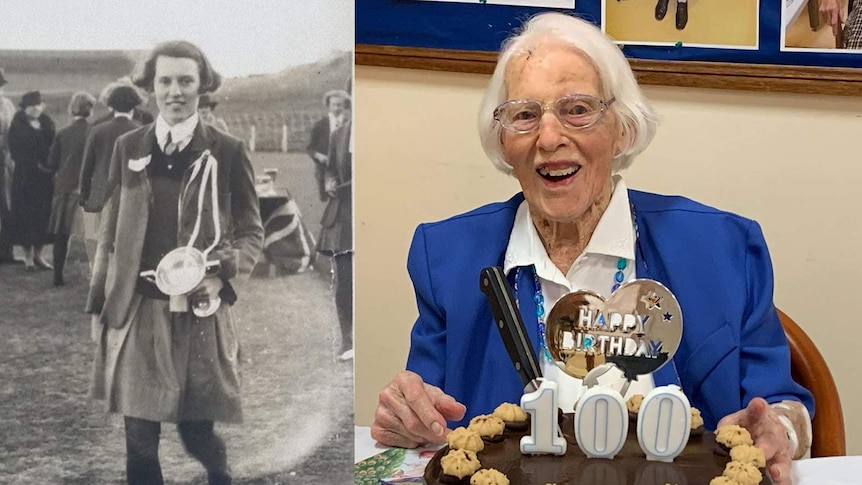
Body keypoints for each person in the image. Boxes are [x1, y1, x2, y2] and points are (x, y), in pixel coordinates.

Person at [370, 13, 814, 485]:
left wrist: (782, 427)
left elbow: (783, 405)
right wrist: (407, 414)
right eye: (524, 115)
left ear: (623, 128)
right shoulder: (448, 258)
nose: (549, 137)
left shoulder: (723, 249)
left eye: (577, 109)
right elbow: (426, 420)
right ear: (503, 141)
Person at [86, 40, 263, 484]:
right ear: (150, 87)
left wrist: (222, 278)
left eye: (186, 80)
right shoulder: (128, 146)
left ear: (203, 85)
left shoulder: (227, 150)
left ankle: (219, 475)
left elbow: (251, 231)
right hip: (139, 309)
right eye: (165, 80)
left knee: (196, 433)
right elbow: (109, 232)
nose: (175, 91)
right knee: (139, 438)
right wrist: (98, 305)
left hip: (199, 318)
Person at [79, 85, 143, 270]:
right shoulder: (140, 130)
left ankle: (97, 273)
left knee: (98, 238)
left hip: (100, 193)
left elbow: (87, 166)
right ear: (134, 105)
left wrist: (83, 194)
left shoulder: (98, 130)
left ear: (111, 105)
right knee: (125, 238)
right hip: (129, 192)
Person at [43, 91, 96, 286]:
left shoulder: (63, 134)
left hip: (64, 188)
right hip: (87, 188)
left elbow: (52, 162)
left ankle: (58, 275)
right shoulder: (94, 132)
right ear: (90, 110)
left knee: (61, 234)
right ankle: (95, 276)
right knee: (93, 234)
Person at [317, 103, 353, 361]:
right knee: (343, 280)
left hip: (366, 215)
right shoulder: (339, 134)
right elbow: (331, 168)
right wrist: (330, 182)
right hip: (342, 218)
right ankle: (347, 339)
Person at [7, 90, 56, 271]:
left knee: (43, 215)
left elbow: (54, 147)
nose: (36, 109)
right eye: (32, 106)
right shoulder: (18, 125)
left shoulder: (47, 123)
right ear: (24, 108)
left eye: (38, 105)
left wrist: (49, 165)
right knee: (26, 214)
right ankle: (27, 256)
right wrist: (33, 164)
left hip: (45, 178)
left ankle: (39, 254)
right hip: (25, 178)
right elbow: (15, 149)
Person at [307, 89, 350, 202]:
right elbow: (310, 148)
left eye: (339, 105)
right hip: (323, 172)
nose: (336, 108)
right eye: (334, 105)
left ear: (344, 106)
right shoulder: (320, 125)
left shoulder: (349, 125)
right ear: (328, 106)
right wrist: (319, 156)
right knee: (326, 204)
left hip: (344, 174)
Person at [0, 67, 21, 264]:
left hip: (4, 158)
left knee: (6, 205)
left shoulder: (7, 105)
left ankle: (6, 252)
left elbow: (13, 133)